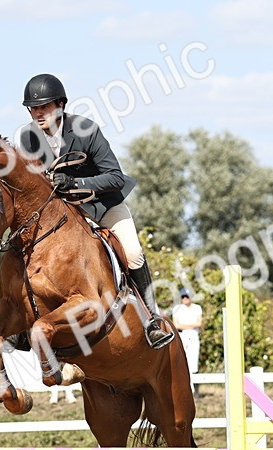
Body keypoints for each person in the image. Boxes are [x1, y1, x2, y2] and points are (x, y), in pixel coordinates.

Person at [15, 73, 174, 349]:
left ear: (60, 105)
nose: (38, 113)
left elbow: (115, 177)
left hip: (103, 205)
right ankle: (21, 322)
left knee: (133, 253)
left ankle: (152, 319)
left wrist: (75, 183)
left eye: (44, 107)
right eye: (33, 108)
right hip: (65, 214)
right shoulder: (28, 138)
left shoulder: (85, 130)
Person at [171, 288, 203, 393]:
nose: (185, 298)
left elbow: (199, 323)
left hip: (193, 335)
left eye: (187, 296)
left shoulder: (197, 308)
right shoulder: (177, 309)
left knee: (194, 362)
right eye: (183, 296)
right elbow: (176, 325)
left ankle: (195, 390)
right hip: (182, 336)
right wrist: (191, 325)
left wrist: (184, 326)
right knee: (182, 361)